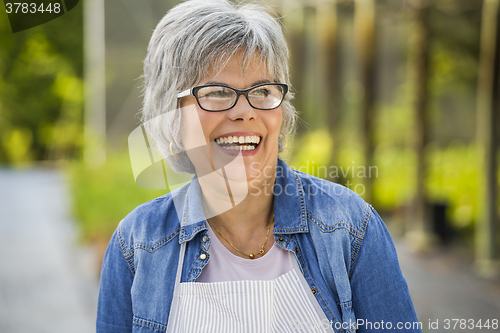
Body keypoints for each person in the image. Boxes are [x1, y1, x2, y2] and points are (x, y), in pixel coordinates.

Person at [97, 0, 422, 332]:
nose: (245, 112)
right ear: (173, 116)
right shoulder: (137, 243)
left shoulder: (350, 227)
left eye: (262, 90)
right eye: (218, 91)